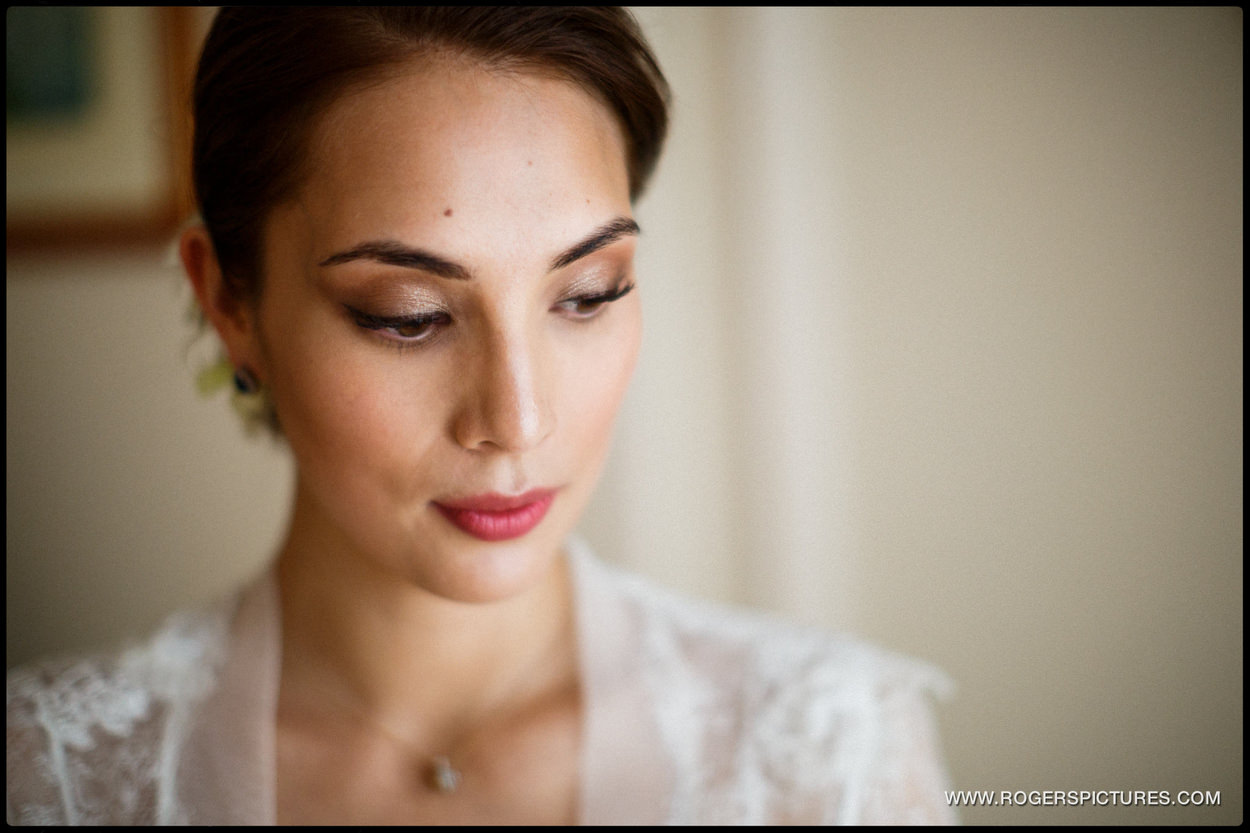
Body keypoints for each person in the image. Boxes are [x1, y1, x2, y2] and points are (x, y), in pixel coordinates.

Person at [6, 8, 956, 825]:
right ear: (230, 305)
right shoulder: (49, 779)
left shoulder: (832, 754)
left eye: (588, 293)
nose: (518, 419)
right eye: (408, 317)